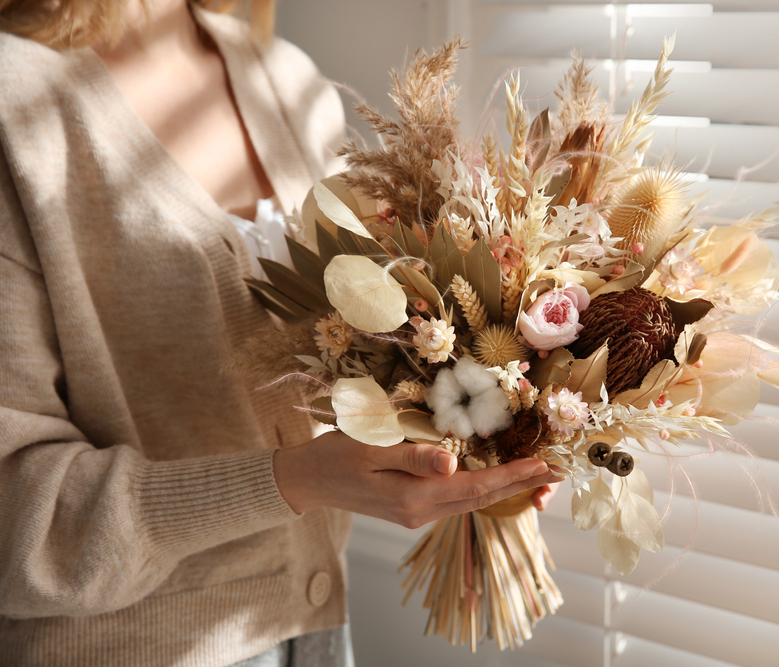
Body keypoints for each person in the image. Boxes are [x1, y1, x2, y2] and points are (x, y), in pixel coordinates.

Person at [0, 1, 559, 665]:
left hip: (319, 639)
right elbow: (15, 515)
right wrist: (289, 481)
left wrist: (484, 416)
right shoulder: (17, 107)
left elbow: (355, 354)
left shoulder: (286, 81)